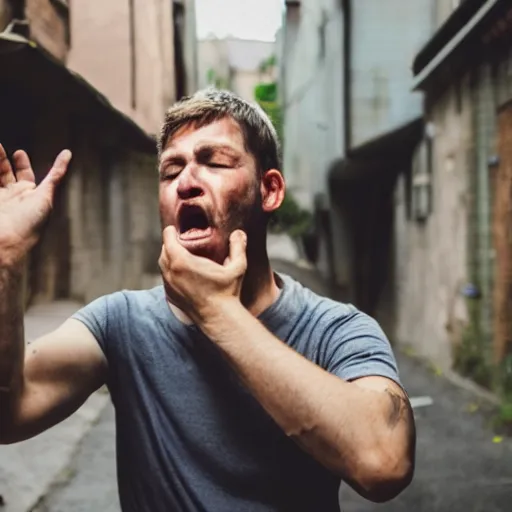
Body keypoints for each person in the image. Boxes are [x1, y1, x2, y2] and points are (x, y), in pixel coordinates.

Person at [0, 89, 415, 511]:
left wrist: (217, 310)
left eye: (214, 162)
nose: (186, 182)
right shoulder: (119, 323)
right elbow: (9, 411)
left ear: (269, 190)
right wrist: (5, 260)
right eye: (170, 170)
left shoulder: (336, 330)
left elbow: (382, 464)